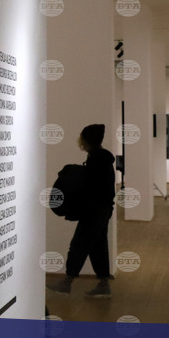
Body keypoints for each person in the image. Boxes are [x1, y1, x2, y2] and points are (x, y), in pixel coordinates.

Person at [46, 124, 117, 298]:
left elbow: (91, 189)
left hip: (93, 212)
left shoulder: (96, 160)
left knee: (79, 245)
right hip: (102, 210)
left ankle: (66, 283)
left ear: (87, 140)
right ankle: (103, 285)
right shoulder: (102, 159)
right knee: (97, 246)